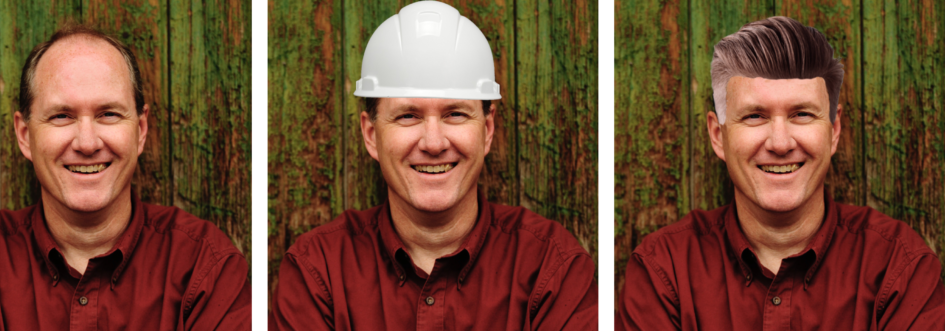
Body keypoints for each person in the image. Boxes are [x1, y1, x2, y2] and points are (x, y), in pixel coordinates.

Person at [267, 1, 599, 330]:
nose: (434, 142)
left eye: (455, 114)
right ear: (370, 135)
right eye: (408, 116)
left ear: (487, 129)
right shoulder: (317, 272)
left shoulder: (552, 268)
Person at [614, 16, 945, 330]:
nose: (781, 143)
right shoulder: (664, 271)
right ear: (718, 136)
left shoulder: (899, 268)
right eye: (755, 116)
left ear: (833, 129)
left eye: (801, 114)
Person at [0, 24, 253, 330]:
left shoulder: (205, 267)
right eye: (61, 116)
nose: (87, 143)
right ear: (24, 135)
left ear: (140, 130)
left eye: (108, 114)